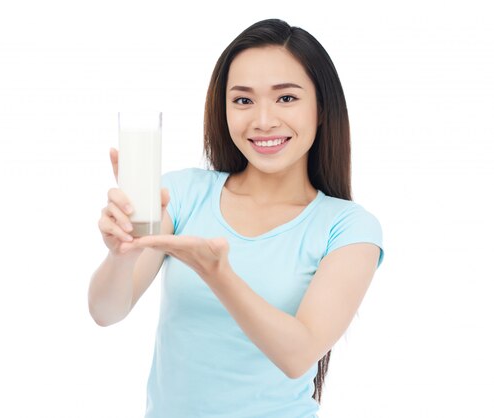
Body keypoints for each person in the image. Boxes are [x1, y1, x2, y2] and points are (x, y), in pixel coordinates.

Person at [89, 18, 384, 418]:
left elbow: (298, 355)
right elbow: (106, 312)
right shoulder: (181, 194)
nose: (263, 121)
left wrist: (218, 275)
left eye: (286, 98)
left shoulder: (348, 228)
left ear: (321, 110)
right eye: (243, 100)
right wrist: (121, 254)